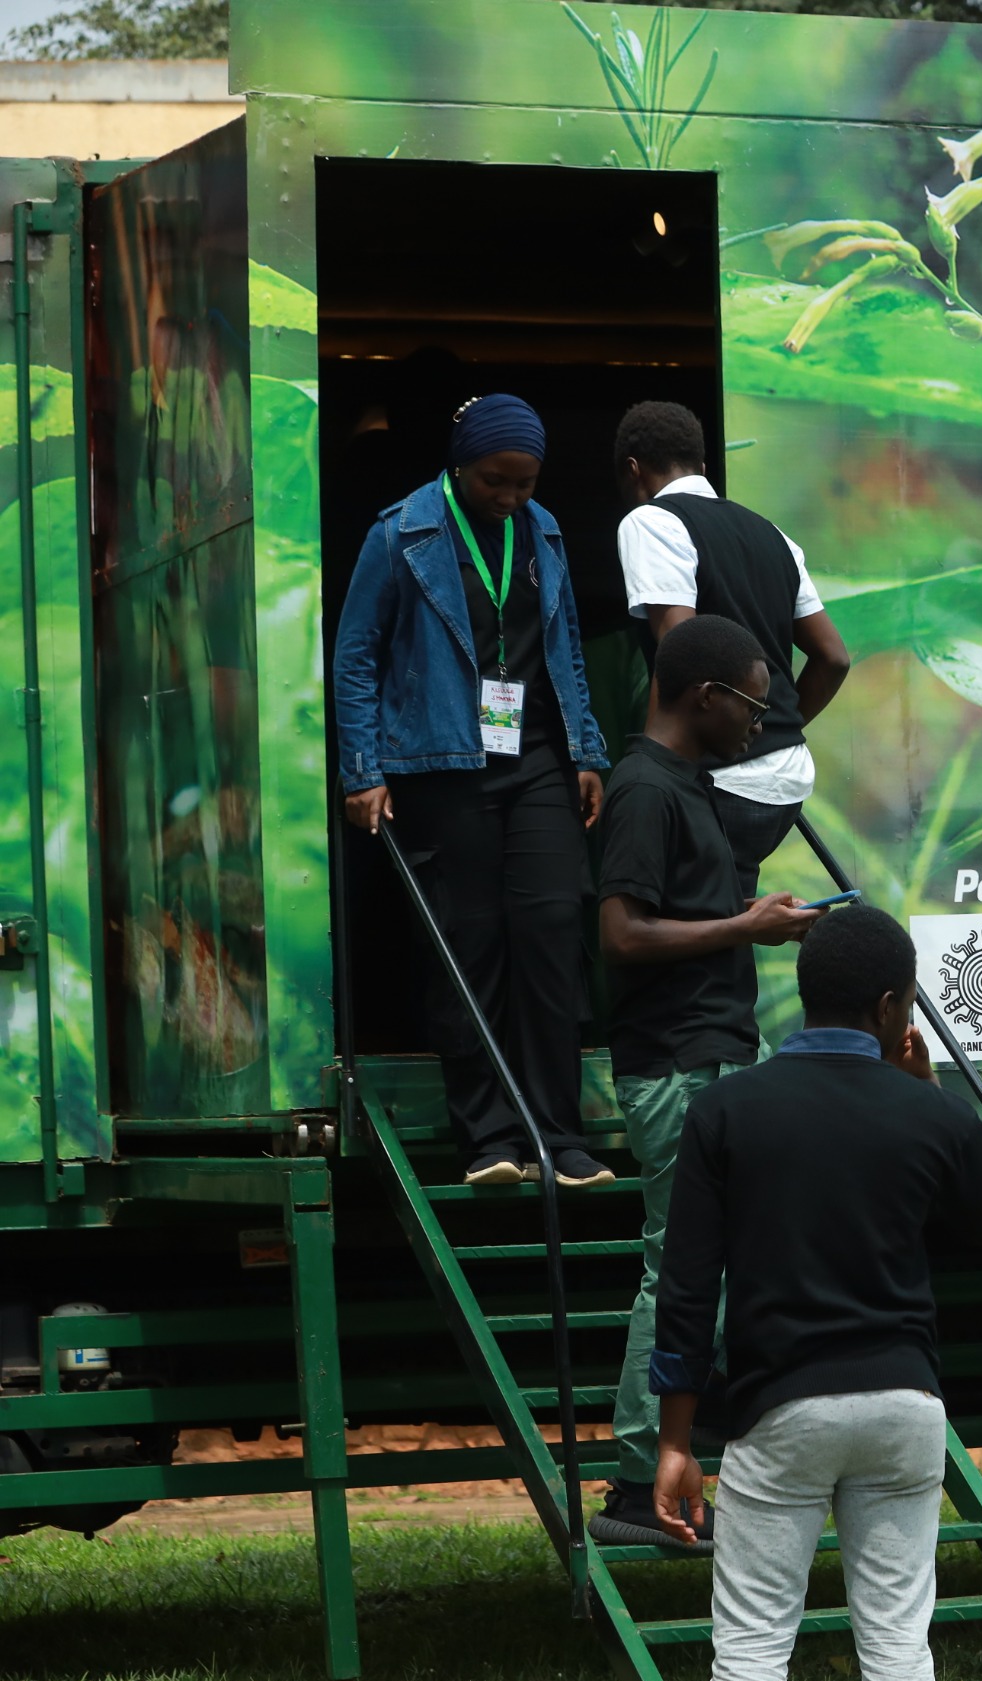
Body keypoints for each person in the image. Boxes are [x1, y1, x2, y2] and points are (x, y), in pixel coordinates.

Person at [651, 905, 982, 1681]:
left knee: (751, 1647)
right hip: (905, 1407)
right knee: (896, 1643)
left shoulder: (724, 1112)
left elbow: (685, 1285)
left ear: (805, 988)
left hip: (781, 1409)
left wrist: (675, 1438)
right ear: (890, 1008)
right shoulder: (928, 1113)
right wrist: (935, 1096)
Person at [333, 392, 615, 1188]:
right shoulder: (401, 532)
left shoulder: (544, 529)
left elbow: (564, 650)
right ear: (460, 468)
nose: (512, 496)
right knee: (470, 945)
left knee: (554, 931)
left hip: (537, 759)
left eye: (526, 482)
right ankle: (491, 1138)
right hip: (439, 762)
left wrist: (586, 751)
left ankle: (559, 1138)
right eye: (498, 480)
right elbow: (356, 655)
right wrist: (364, 770)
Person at [590, 613, 821, 1550]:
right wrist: (743, 930)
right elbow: (621, 934)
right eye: (752, 706)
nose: (759, 725)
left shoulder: (689, 785)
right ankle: (634, 1486)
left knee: (709, 1270)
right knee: (676, 1271)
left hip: (713, 1051)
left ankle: (673, 1467)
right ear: (703, 697)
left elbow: (681, 915)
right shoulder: (645, 789)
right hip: (676, 1061)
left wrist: (749, 915)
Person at [614, 401, 851, 893]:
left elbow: (682, 649)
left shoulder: (651, 522)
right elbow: (833, 657)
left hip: (720, 779)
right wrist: (768, 726)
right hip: (787, 779)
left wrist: (648, 773)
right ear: (703, 467)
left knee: (686, 932)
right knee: (728, 920)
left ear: (633, 470)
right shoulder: (775, 535)